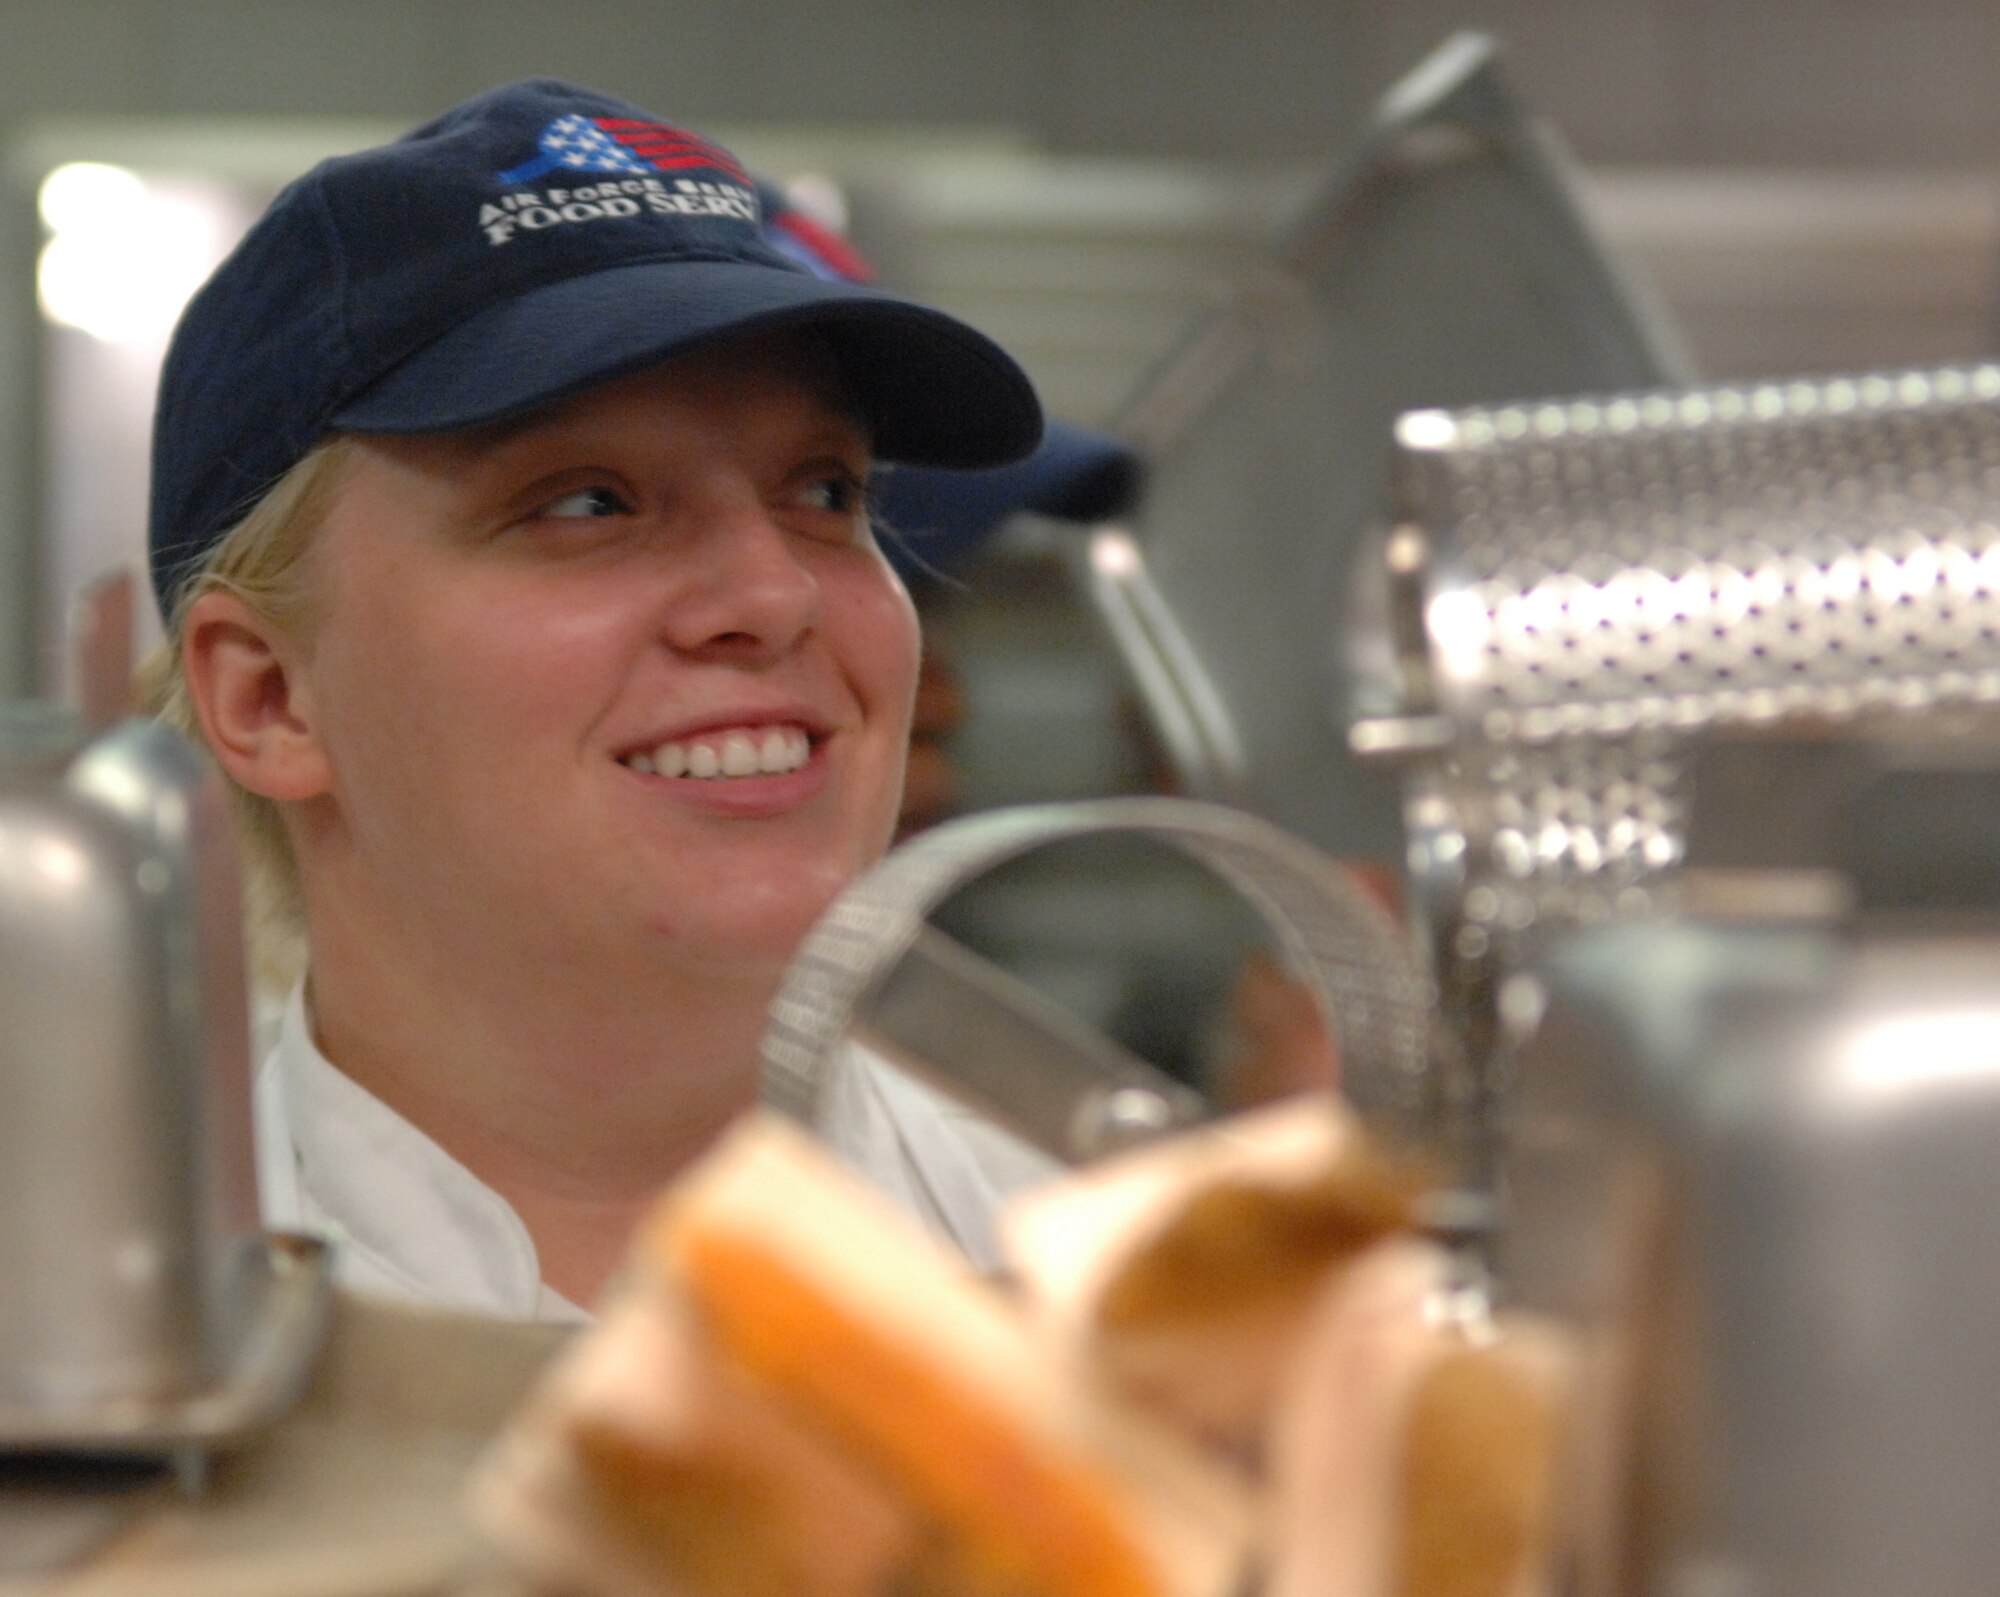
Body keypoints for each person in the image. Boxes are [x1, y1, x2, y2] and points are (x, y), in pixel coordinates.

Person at [140, 78, 1063, 1322]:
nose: (773, 590)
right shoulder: (91, 1362)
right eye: (587, 501)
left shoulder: (1129, 1284)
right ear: (268, 700)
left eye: (826, 493)